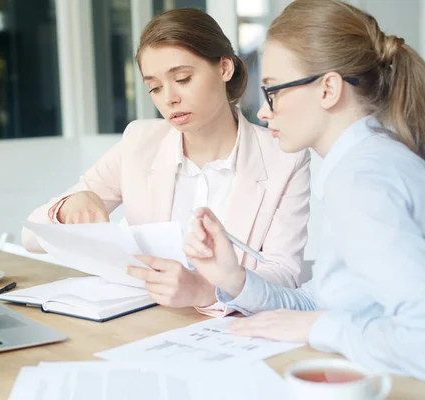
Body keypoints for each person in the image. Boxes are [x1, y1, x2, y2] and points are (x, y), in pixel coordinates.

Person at [180, 0, 425, 380]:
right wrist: (234, 279)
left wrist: (319, 329)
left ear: (328, 89)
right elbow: (325, 301)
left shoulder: (363, 180)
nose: (263, 112)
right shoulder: (367, 162)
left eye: (273, 91)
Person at [23, 8, 311, 315]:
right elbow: (32, 237)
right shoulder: (140, 142)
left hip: (231, 330)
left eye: (183, 79)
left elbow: (284, 275)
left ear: (224, 67)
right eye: (155, 88)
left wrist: (207, 291)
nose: (169, 98)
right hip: (147, 323)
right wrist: (68, 208)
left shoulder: (284, 158)